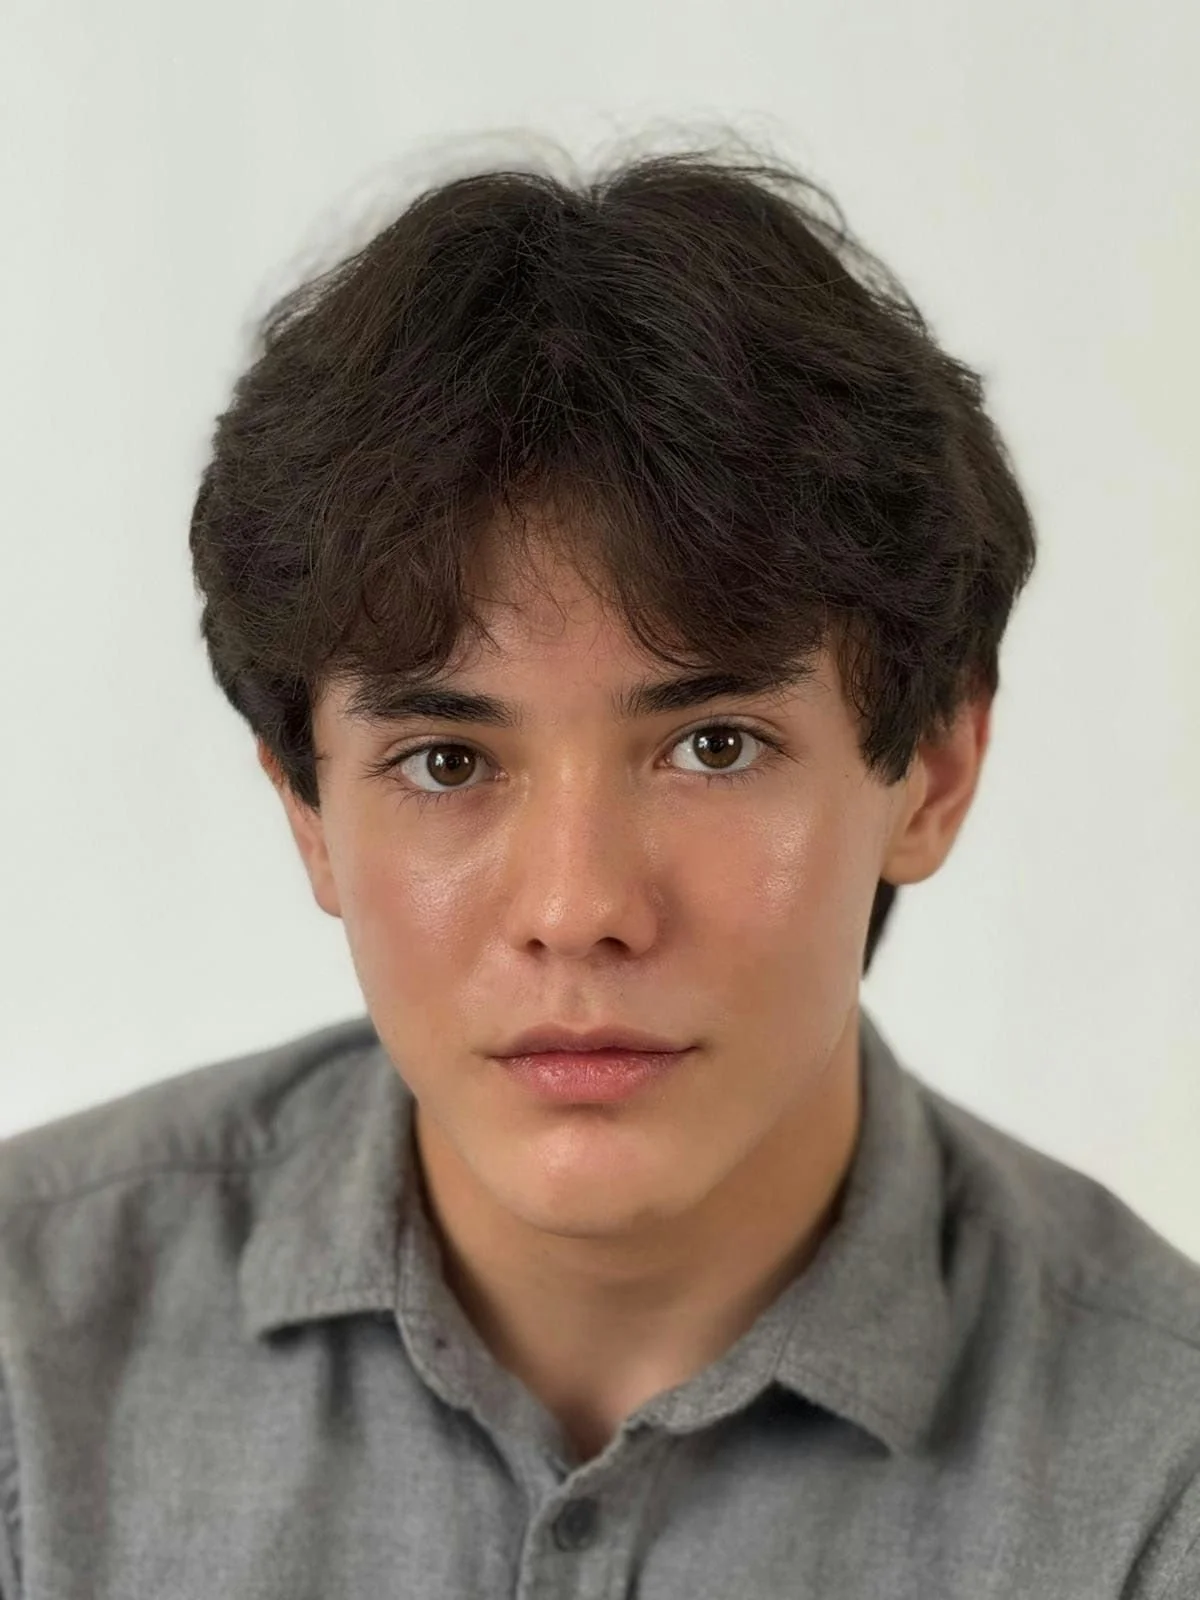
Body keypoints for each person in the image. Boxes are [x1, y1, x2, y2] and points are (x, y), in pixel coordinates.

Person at [1, 139, 1197, 1600]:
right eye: (448, 761)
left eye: (714, 746)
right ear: (309, 813)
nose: (578, 910)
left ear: (930, 774)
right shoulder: (25, 1365)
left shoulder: (1160, 1477)